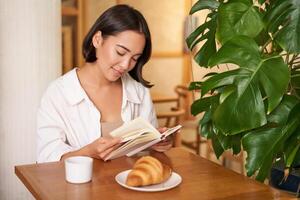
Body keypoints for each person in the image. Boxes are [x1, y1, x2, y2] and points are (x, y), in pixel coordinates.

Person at [37, 4, 172, 163]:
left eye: (135, 58)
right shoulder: (58, 93)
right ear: (97, 39)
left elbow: (146, 151)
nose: (125, 65)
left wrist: (156, 143)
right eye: (120, 52)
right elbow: (45, 159)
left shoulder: (139, 91)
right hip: (78, 187)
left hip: (130, 185)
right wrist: (88, 152)